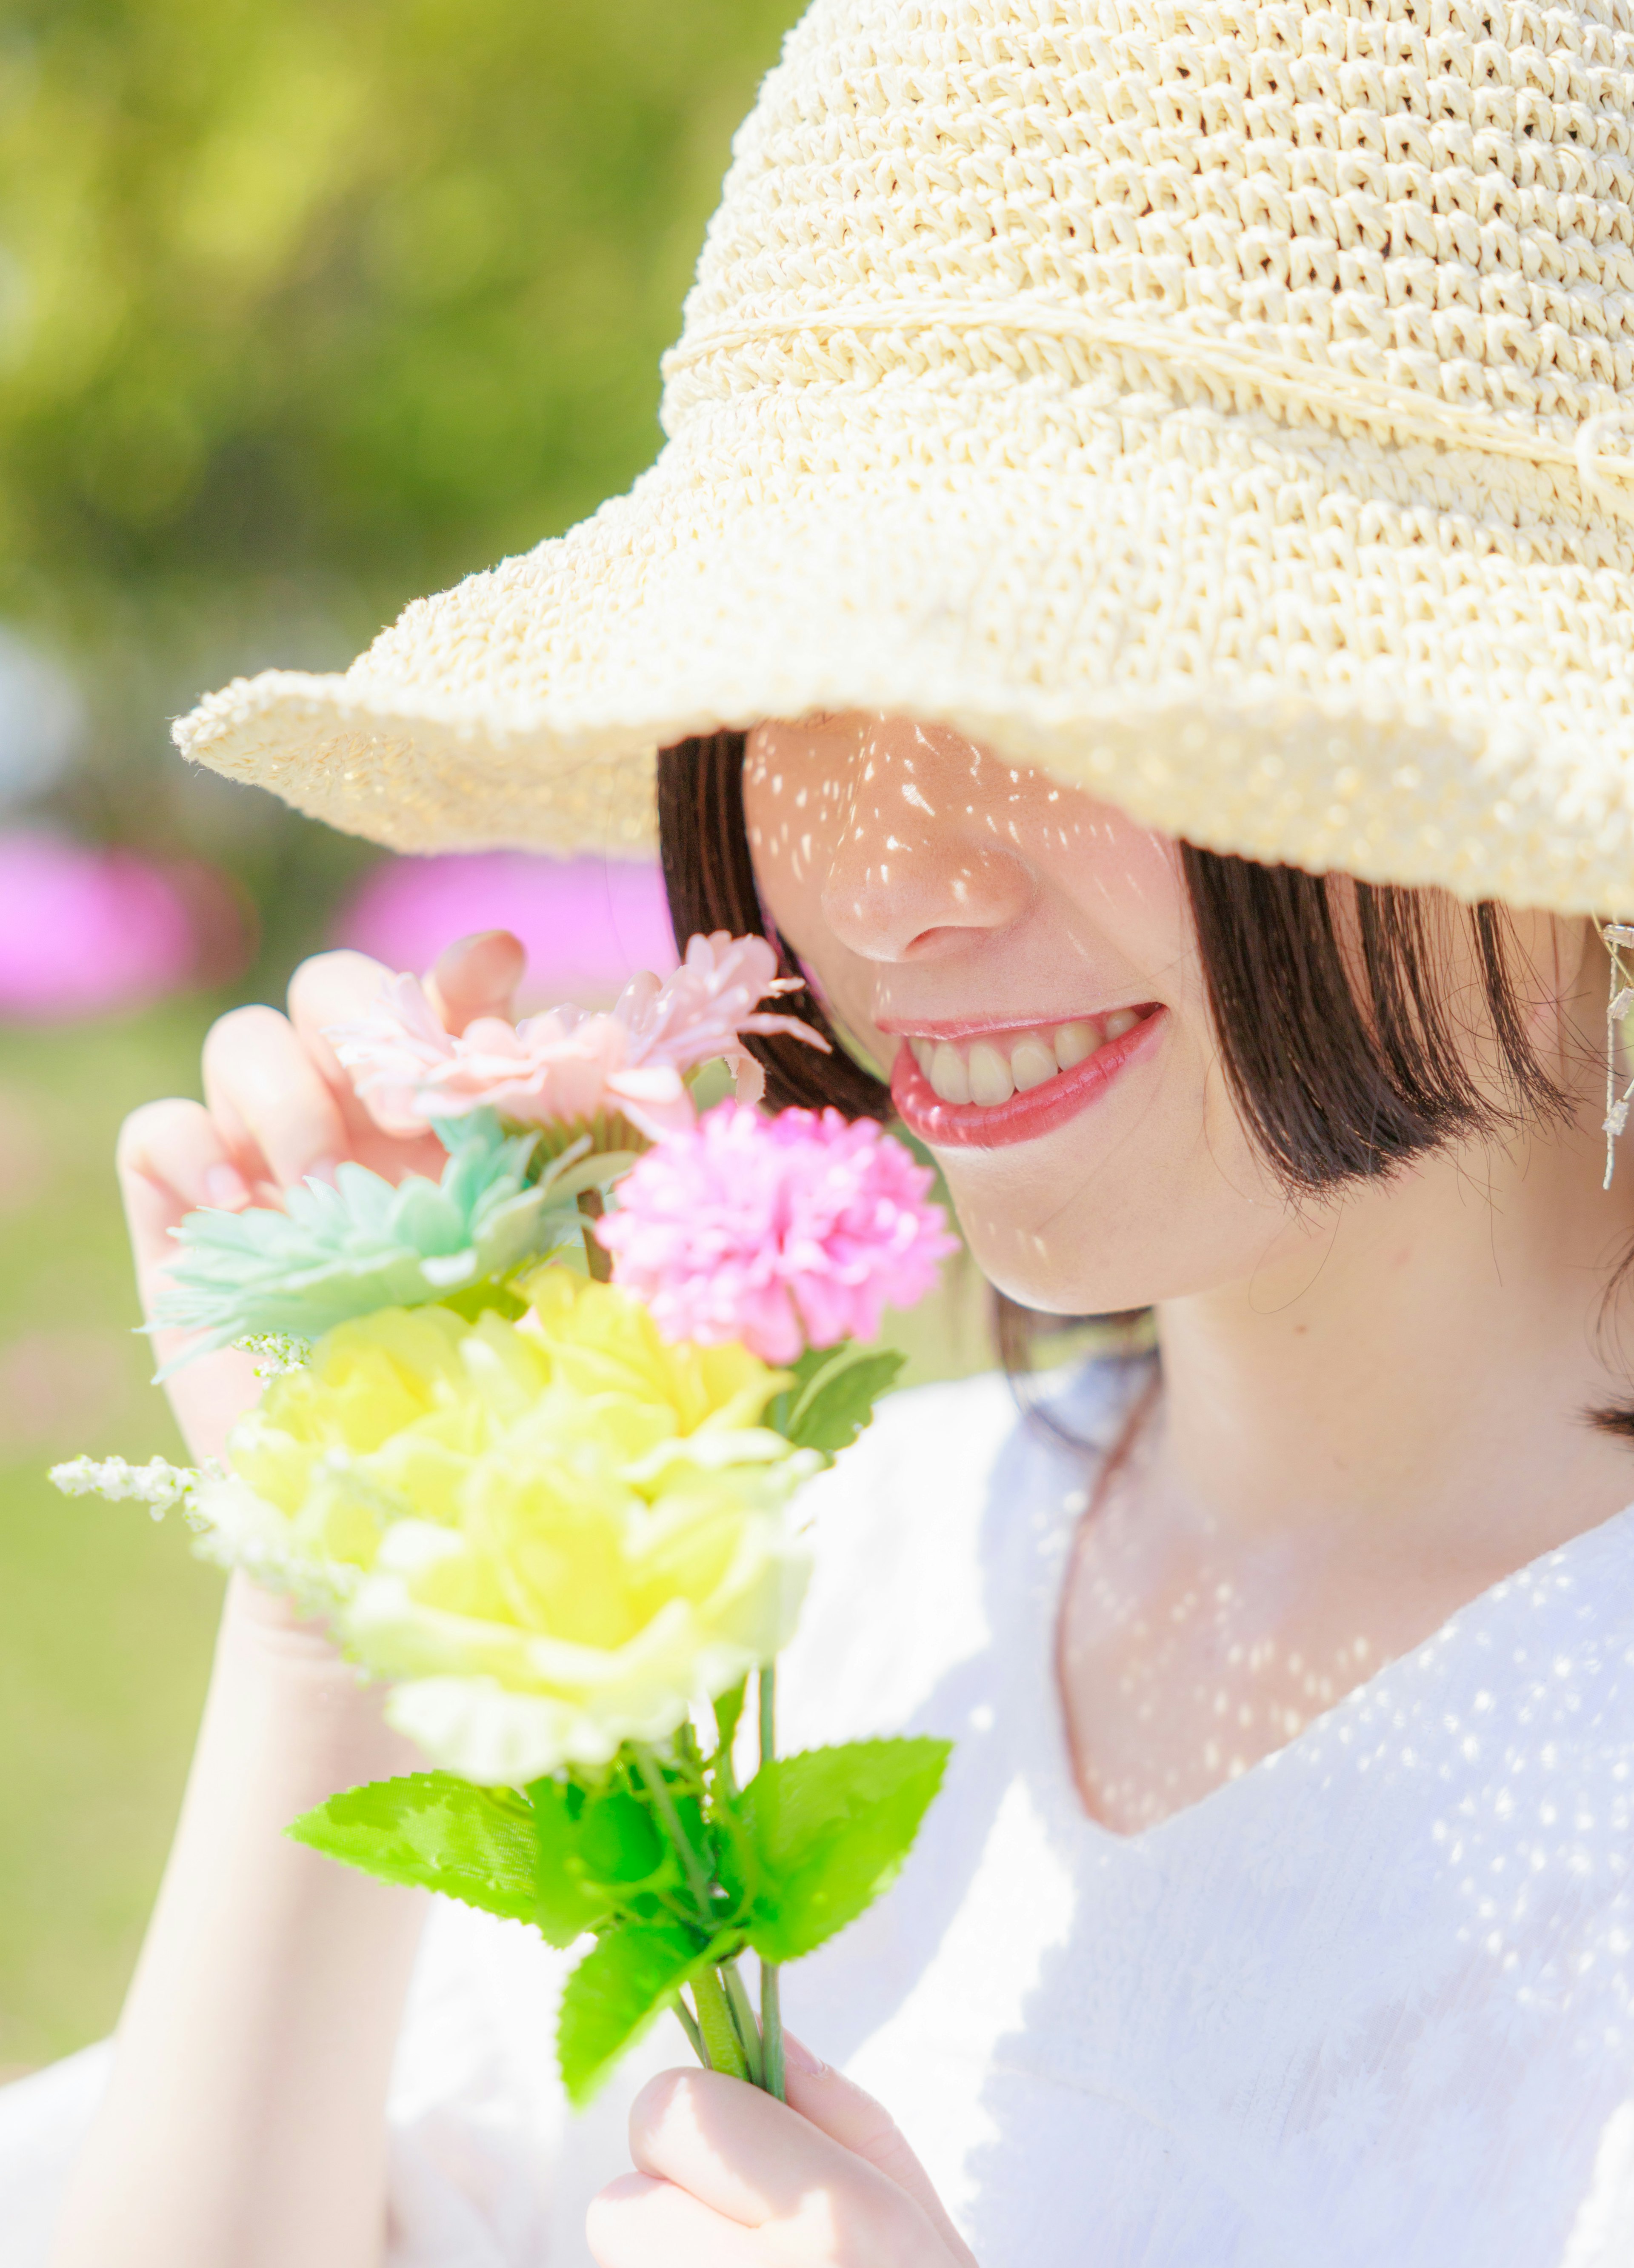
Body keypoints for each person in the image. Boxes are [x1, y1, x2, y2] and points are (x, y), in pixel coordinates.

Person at [8, 0, 1634, 2261]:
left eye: (1072, 680)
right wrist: (348, 1612)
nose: (895, 883)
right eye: (796, 690)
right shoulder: (813, 1580)